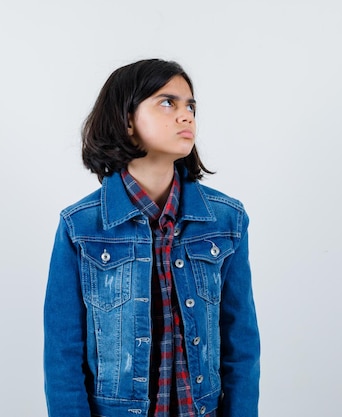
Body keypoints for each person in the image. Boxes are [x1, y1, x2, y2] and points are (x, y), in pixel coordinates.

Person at [43, 58, 260, 417]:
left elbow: (241, 343)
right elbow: (63, 354)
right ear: (127, 119)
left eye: (190, 105)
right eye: (167, 102)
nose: (186, 115)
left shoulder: (226, 219)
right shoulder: (80, 227)